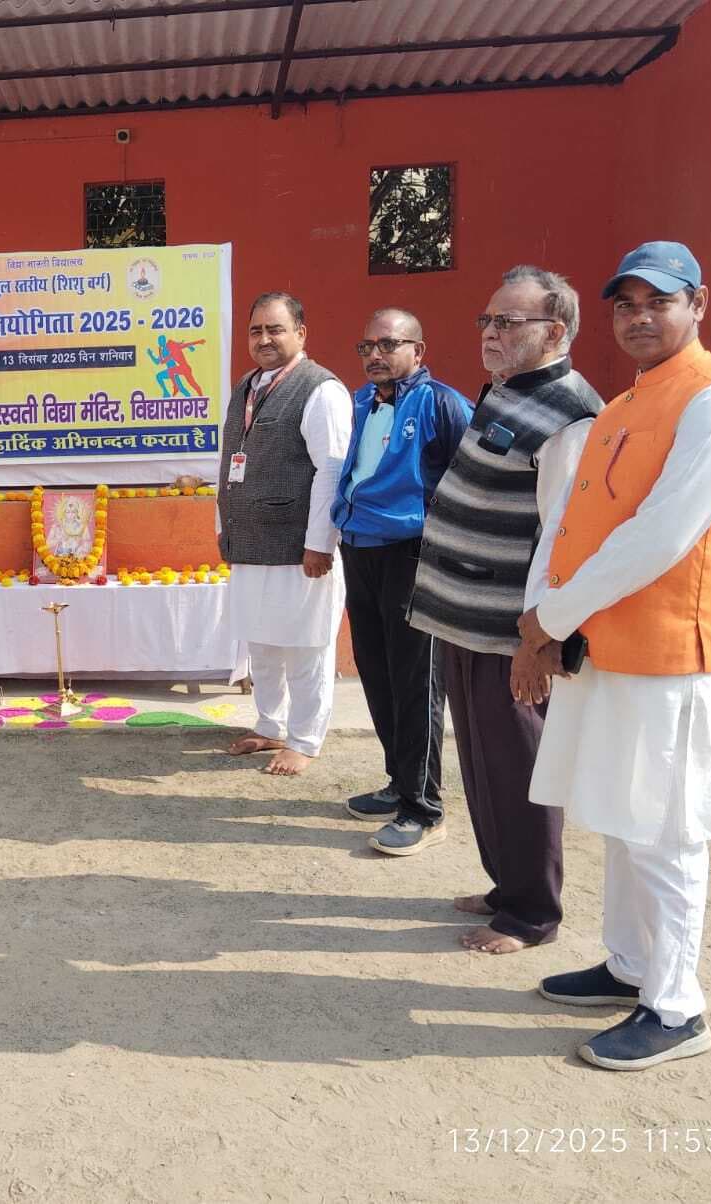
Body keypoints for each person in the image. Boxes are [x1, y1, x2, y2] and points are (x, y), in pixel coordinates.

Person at [520, 242, 711, 1069]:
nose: (638, 317)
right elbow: (570, 515)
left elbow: (659, 537)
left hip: (668, 654)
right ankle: (629, 964)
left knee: (665, 830)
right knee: (622, 820)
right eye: (624, 304)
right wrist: (542, 617)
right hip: (606, 647)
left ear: (698, 302)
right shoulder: (628, 403)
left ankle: (676, 1004)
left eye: (655, 301)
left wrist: (552, 616)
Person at [409, 266, 602, 953]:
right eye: (486, 321)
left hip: (509, 631)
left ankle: (532, 912)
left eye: (507, 323)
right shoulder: (506, 392)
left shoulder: (571, 415)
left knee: (520, 769)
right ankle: (504, 884)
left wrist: (537, 642)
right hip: (465, 616)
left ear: (553, 331)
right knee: (486, 765)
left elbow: (562, 538)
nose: (490, 333)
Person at [331, 309, 473, 855]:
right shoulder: (361, 402)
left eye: (389, 344)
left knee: (418, 678)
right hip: (360, 546)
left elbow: (473, 477)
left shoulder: (442, 403)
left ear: (419, 349)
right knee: (378, 671)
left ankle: (424, 807)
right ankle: (398, 782)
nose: (375, 355)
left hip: (414, 552)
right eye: (366, 345)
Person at [217, 293, 352, 775]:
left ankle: (305, 738)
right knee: (262, 644)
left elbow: (332, 469)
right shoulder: (247, 387)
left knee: (305, 644)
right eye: (256, 330)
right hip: (251, 545)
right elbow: (229, 464)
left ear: (301, 333)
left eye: (275, 329)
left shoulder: (321, 390)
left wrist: (320, 541)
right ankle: (270, 725)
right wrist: (225, 531)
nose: (264, 339)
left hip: (301, 550)